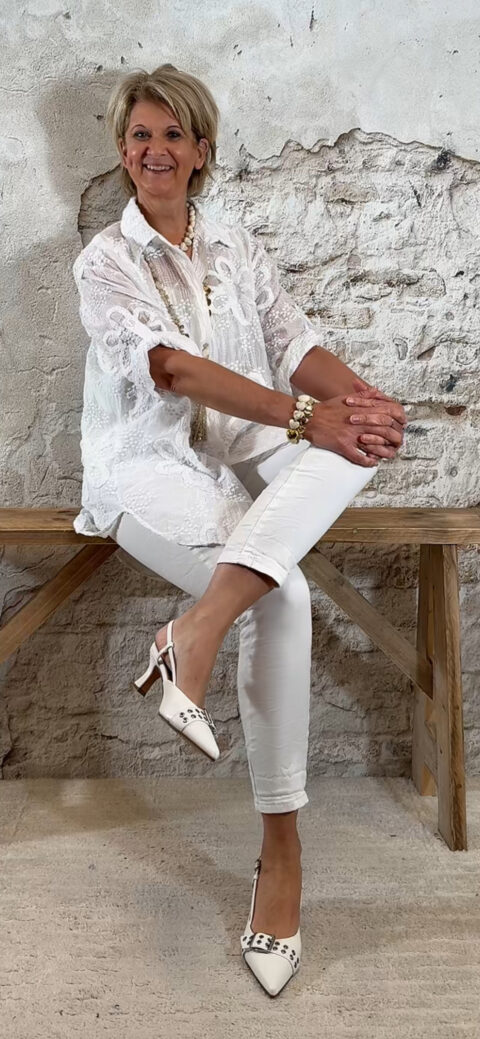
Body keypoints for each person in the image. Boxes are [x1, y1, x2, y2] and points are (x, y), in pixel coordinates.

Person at [72, 63, 407, 996]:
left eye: (172, 135)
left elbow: (295, 346)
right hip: (148, 466)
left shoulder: (236, 245)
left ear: (202, 150)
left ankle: (194, 630)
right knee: (283, 591)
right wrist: (307, 418)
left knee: (358, 443)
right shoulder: (105, 261)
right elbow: (171, 371)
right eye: (139, 135)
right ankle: (282, 855)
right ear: (123, 151)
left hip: (244, 452)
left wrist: (365, 403)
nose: (155, 150)